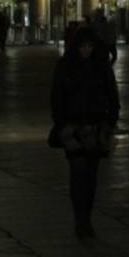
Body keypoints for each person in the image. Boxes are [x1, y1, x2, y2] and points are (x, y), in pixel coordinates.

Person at [49, 26, 120, 239]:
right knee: (78, 171)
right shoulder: (65, 67)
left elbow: (112, 93)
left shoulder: (102, 67)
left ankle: (87, 215)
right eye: (83, 47)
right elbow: (56, 96)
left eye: (90, 46)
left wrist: (111, 119)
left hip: (96, 126)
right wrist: (61, 122)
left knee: (91, 175)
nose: (86, 50)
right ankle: (80, 219)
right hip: (73, 126)